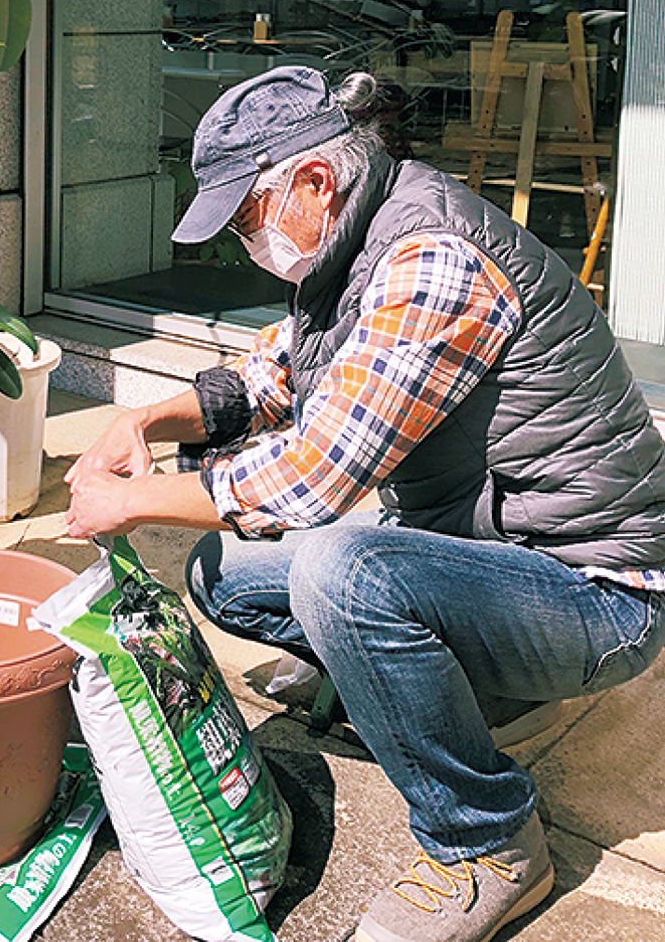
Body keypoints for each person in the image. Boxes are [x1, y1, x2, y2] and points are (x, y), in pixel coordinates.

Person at [64, 65, 665, 942]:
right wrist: (143, 416)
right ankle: (437, 686)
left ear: (313, 180)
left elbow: (312, 479)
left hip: (593, 596)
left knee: (344, 573)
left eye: (244, 220)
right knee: (222, 570)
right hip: (486, 550)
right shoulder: (351, 241)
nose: (243, 246)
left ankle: (487, 843)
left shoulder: (432, 259)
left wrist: (135, 502)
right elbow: (269, 379)